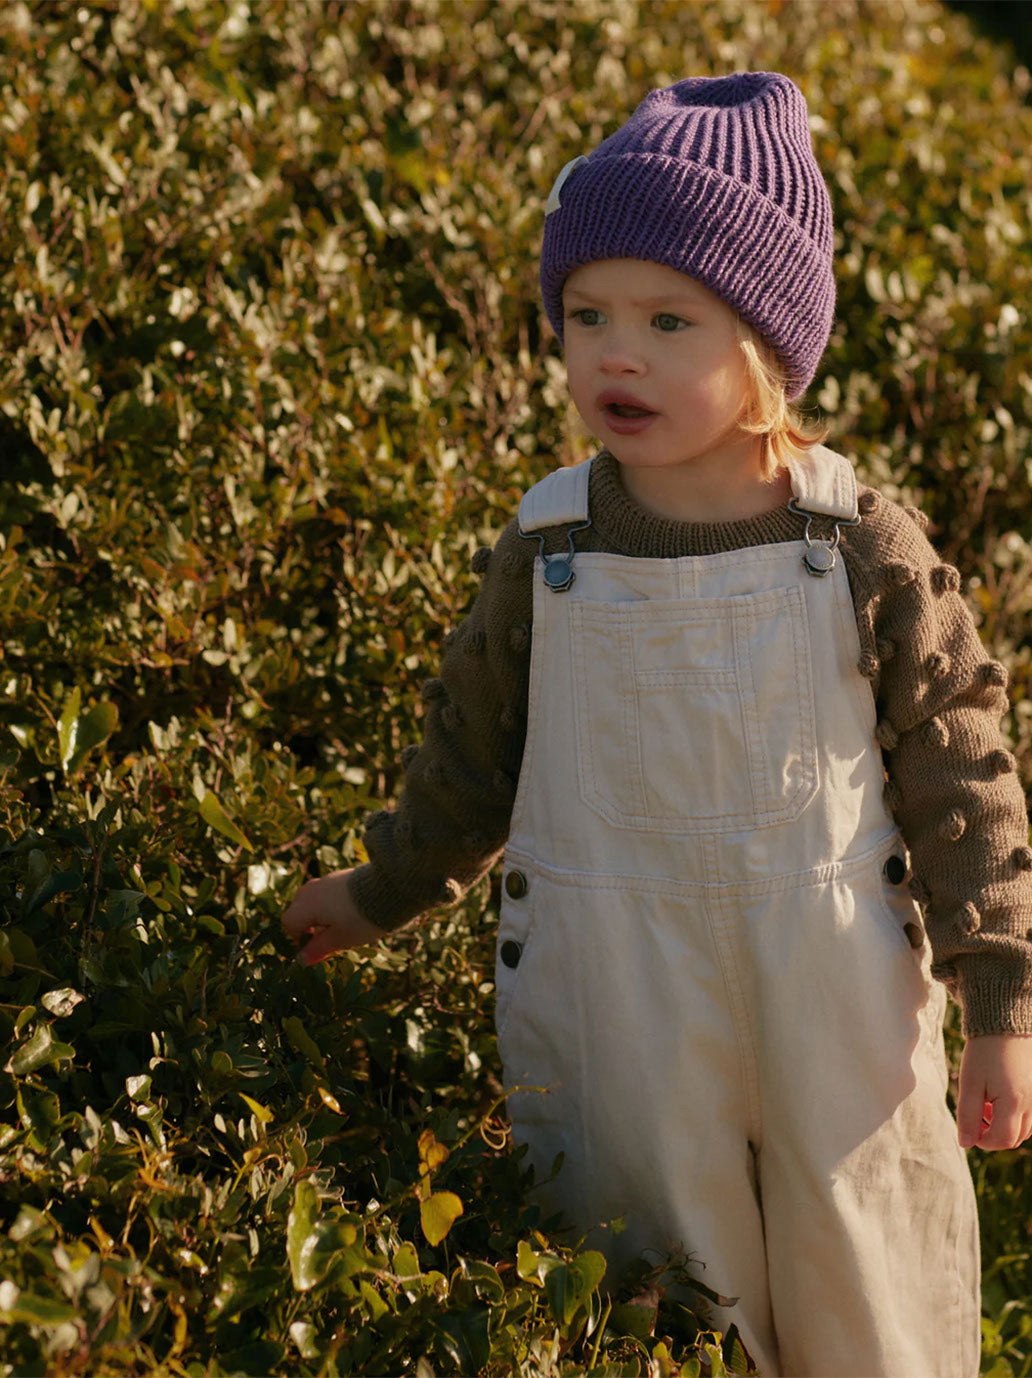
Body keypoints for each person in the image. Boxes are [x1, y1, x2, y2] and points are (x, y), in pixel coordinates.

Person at [282, 71, 1032, 1376]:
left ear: (770, 347)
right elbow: (473, 762)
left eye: (671, 319)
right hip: (617, 1005)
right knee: (653, 1306)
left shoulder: (853, 541)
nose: (614, 354)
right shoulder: (551, 543)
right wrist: (381, 891)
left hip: (833, 1015)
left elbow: (961, 768)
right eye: (586, 315)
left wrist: (1005, 998)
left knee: (863, 1297)